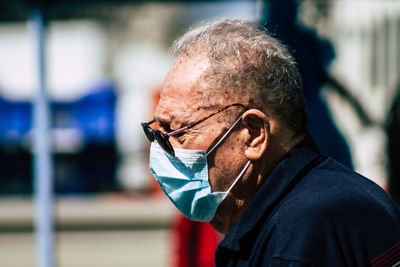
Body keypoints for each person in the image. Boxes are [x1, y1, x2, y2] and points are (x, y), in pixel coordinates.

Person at [141, 19, 400, 266]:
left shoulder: (301, 234)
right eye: (156, 132)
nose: (161, 150)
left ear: (253, 134)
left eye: (178, 132)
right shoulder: (313, 203)